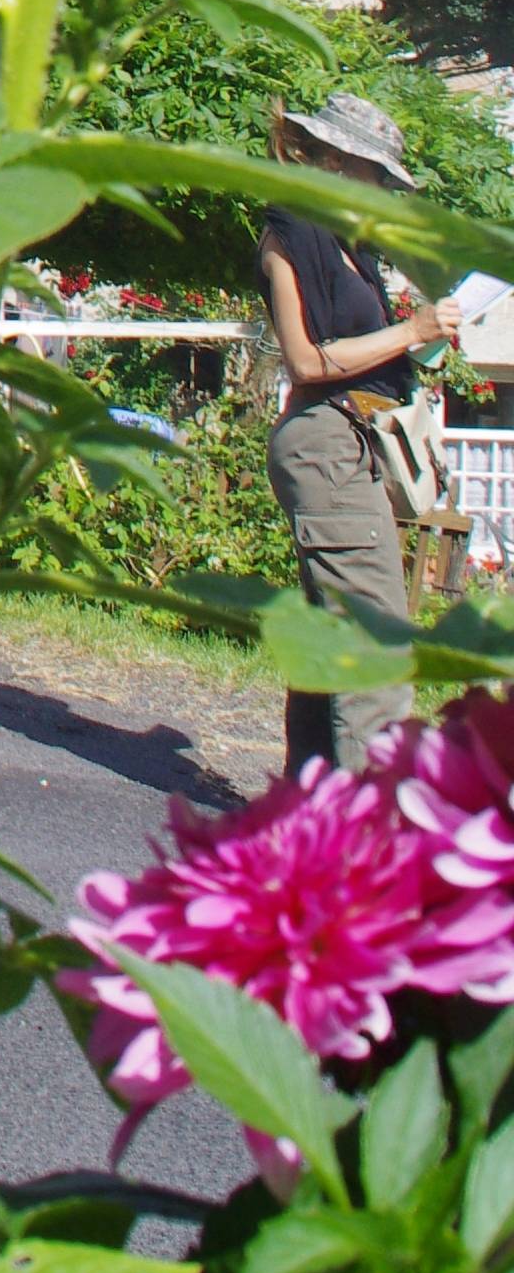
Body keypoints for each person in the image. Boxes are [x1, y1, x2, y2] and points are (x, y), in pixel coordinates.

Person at [258, 91, 455, 774]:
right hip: (327, 442)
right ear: (341, 165)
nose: (385, 197)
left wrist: (423, 340)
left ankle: (310, 812)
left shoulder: (350, 249)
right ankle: (372, 829)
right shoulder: (292, 230)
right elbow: (307, 360)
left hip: (351, 441)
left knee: (329, 640)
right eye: (380, 179)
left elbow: (371, 351)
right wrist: (413, 329)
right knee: (375, 644)